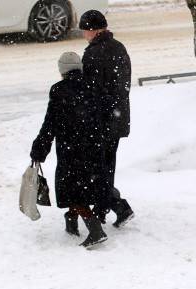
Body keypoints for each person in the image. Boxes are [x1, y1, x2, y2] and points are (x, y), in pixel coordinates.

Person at [30, 52, 109, 249]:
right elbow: (105, 112)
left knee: (72, 191)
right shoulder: (93, 85)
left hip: (71, 150)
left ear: (62, 70)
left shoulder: (59, 90)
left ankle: (95, 230)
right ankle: (72, 222)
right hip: (94, 147)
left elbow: (50, 123)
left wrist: (39, 149)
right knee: (85, 187)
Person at [79, 9, 134, 228]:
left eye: (85, 31)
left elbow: (92, 90)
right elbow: (122, 85)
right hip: (118, 118)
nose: (84, 35)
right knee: (106, 166)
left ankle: (118, 207)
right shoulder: (118, 47)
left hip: (101, 121)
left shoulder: (93, 54)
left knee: (98, 168)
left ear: (94, 31)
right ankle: (102, 210)